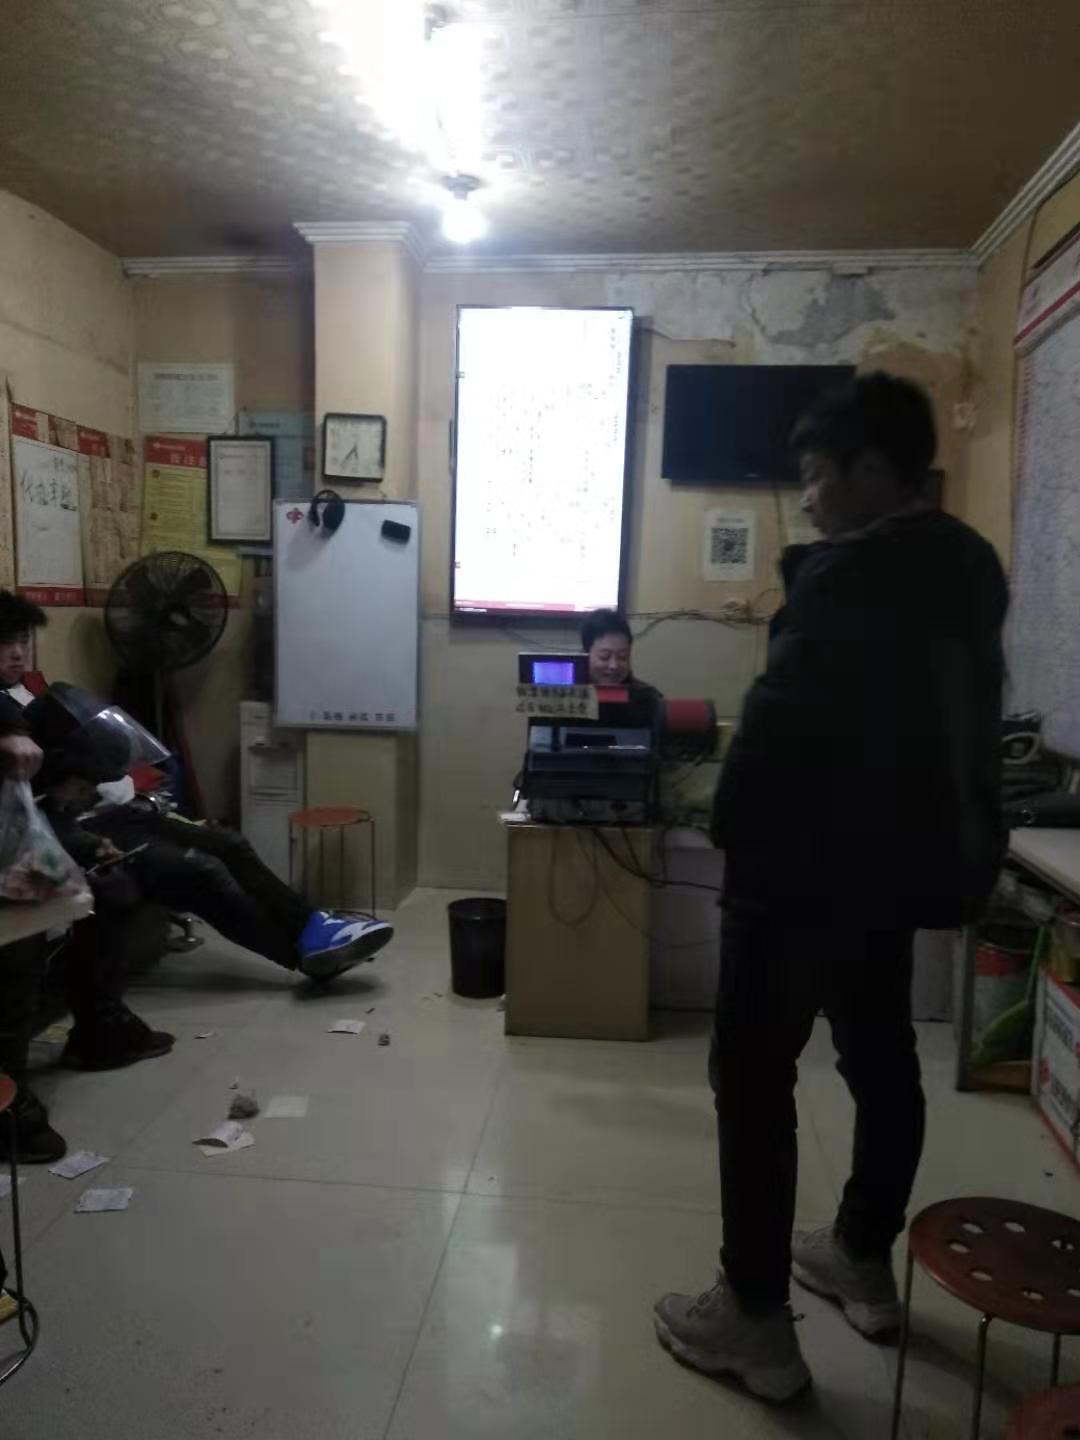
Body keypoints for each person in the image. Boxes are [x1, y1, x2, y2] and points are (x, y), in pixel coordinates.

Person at [654, 373, 1007, 1400]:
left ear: (874, 470)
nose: (806, 497)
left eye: (817, 475)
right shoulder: (965, 566)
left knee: (752, 1077)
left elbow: (778, 724)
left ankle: (754, 1315)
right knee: (881, 1057)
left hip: (798, 871)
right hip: (895, 869)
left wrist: (726, 828)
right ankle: (860, 1253)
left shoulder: (850, 577)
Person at [0, 595, 393, 1072]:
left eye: (22, 641)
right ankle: (306, 955)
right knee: (196, 871)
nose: (18, 653)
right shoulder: (9, 723)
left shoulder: (25, 697)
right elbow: (36, 812)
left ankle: (313, 927)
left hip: (94, 813)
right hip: (61, 832)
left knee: (226, 841)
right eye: (4, 643)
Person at [580, 609, 661, 702]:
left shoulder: (648, 698)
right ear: (585, 654)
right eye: (605, 657)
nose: (614, 666)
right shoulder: (569, 692)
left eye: (622, 657)